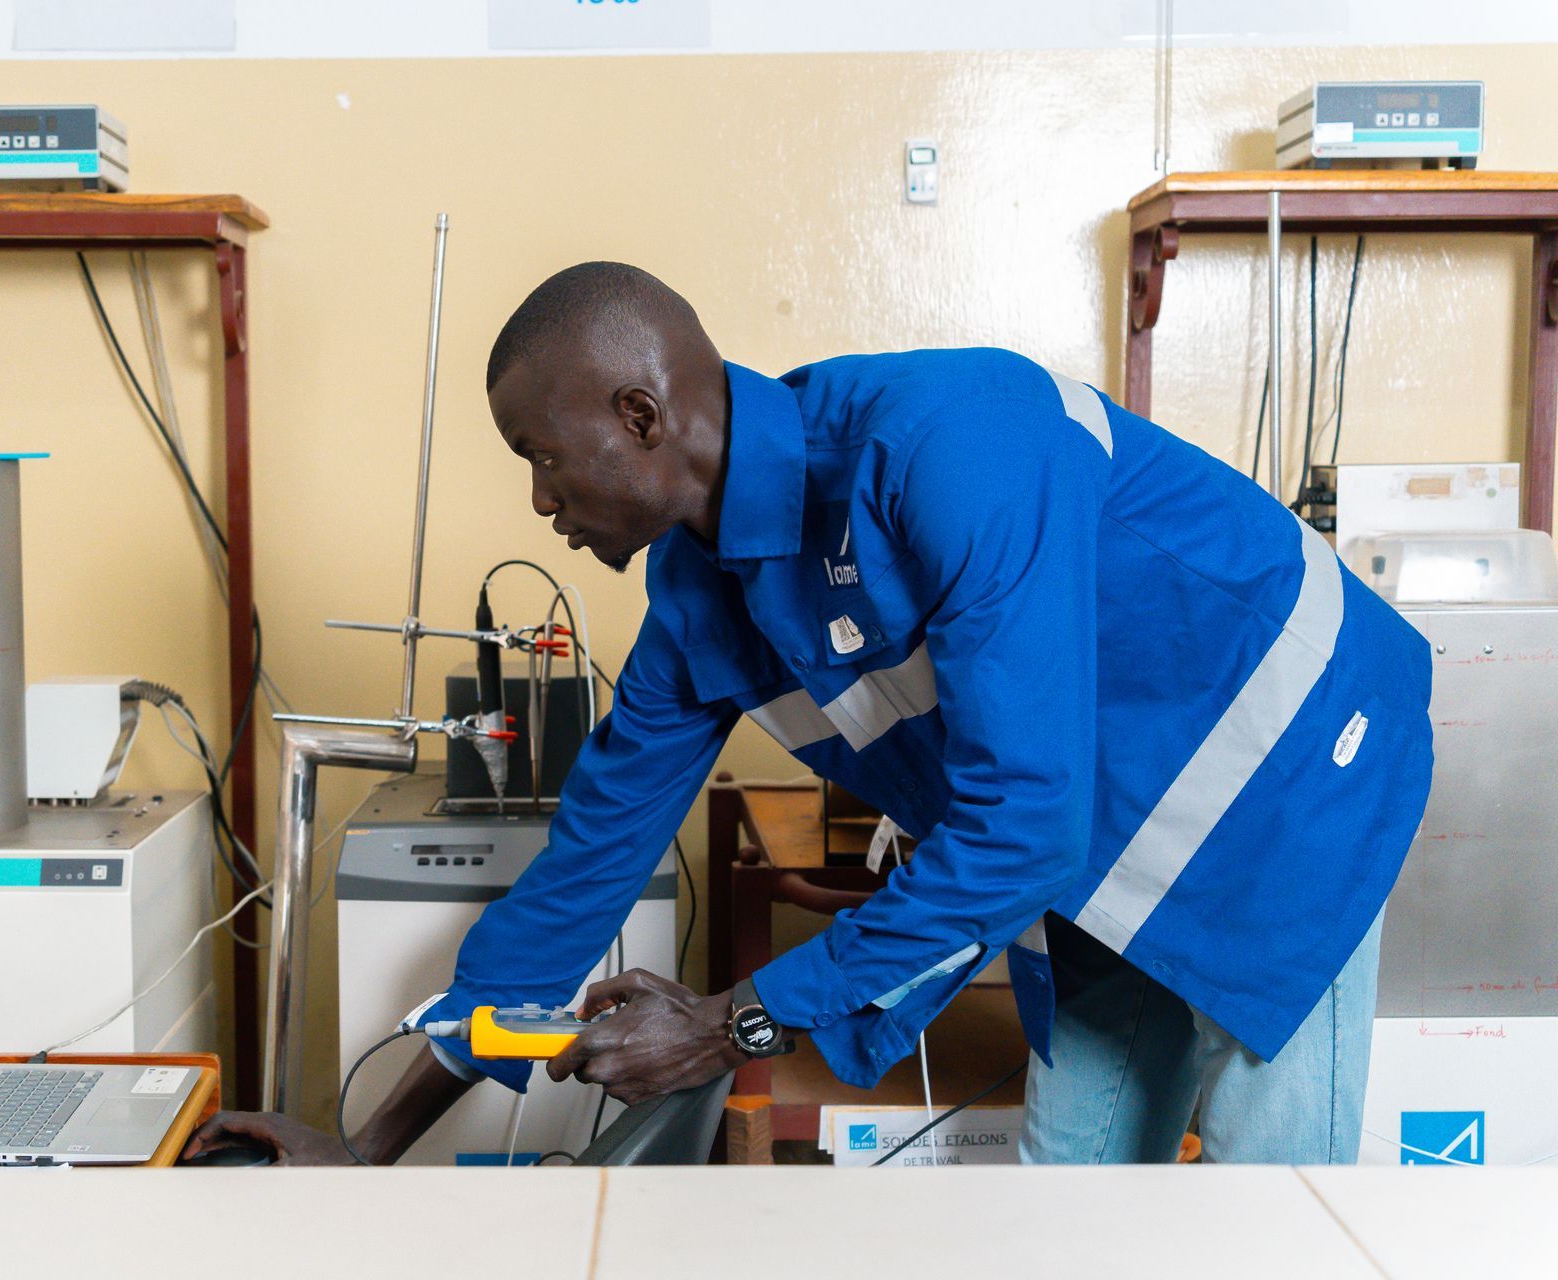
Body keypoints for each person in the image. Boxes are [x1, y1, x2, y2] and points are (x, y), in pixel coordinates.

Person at [184, 262, 1433, 1167]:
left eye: (542, 455)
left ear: (640, 416)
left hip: (1294, 788)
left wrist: (732, 1022)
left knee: (1285, 1222)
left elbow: (1025, 823)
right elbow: (582, 876)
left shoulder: (951, 445)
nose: (538, 499)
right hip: (1100, 847)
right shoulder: (695, 604)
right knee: (1071, 1217)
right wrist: (365, 1146)